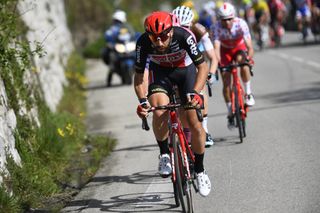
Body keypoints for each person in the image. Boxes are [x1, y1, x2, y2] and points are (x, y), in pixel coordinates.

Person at [134, 11, 211, 197]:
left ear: (171, 31)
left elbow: (202, 66)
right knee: (159, 110)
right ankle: (165, 155)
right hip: (161, 75)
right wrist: (143, 101)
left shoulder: (184, 36)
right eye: (154, 37)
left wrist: (196, 92)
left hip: (186, 72)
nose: (159, 42)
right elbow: (138, 77)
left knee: (193, 122)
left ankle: (200, 170)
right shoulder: (143, 42)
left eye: (163, 37)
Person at [172, 6, 218, 147]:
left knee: (201, 85)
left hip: (196, 60)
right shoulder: (170, 33)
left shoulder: (199, 30)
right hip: (178, 62)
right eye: (178, 27)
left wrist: (212, 73)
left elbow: (212, 57)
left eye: (185, 26)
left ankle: (204, 128)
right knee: (178, 97)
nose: (182, 30)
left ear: (192, 24)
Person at [210, 2, 255, 129]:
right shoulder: (216, 28)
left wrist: (249, 59)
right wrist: (219, 64)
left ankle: (248, 93)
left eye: (230, 19)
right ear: (220, 19)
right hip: (225, 51)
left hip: (238, 48)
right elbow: (216, 49)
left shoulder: (241, 23)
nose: (228, 22)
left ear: (234, 17)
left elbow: (250, 47)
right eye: (224, 20)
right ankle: (230, 111)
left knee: (244, 64)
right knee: (226, 80)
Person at [103, 10, 135, 86]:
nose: (117, 21)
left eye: (118, 20)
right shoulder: (112, 28)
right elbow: (108, 35)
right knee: (112, 59)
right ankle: (109, 77)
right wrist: (110, 44)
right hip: (117, 47)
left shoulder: (127, 26)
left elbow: (133, 34)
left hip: (126, 46)